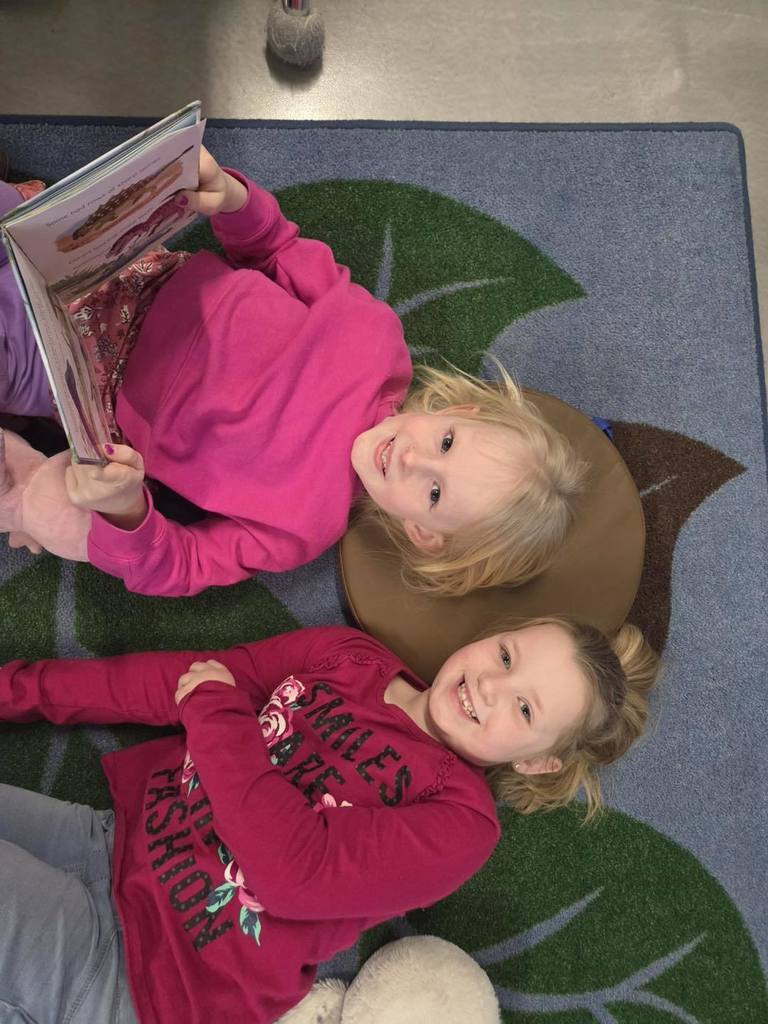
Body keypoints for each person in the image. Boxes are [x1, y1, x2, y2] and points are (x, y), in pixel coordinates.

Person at [0, 616, 658, 1023]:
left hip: (151, 979)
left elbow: (292, 871)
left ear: (540, 763)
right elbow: (186, 680)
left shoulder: (461, 822)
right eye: (507, 657)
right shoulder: (348, 656)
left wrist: (217, 715)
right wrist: (17, 690)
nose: (491, 687)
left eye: (524, 710)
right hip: (109, 844)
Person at [0, 148, 585, 598]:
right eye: (446, 443)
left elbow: (178, 565)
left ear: (422, 533)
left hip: (80, 377)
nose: (412, 458)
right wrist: (232, 198)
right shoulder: (376, 341)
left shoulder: (303, 526)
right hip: (128, 266)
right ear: (456, 411)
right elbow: (276, 249)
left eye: (433, 491)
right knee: (16, 220)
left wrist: (123, 505)